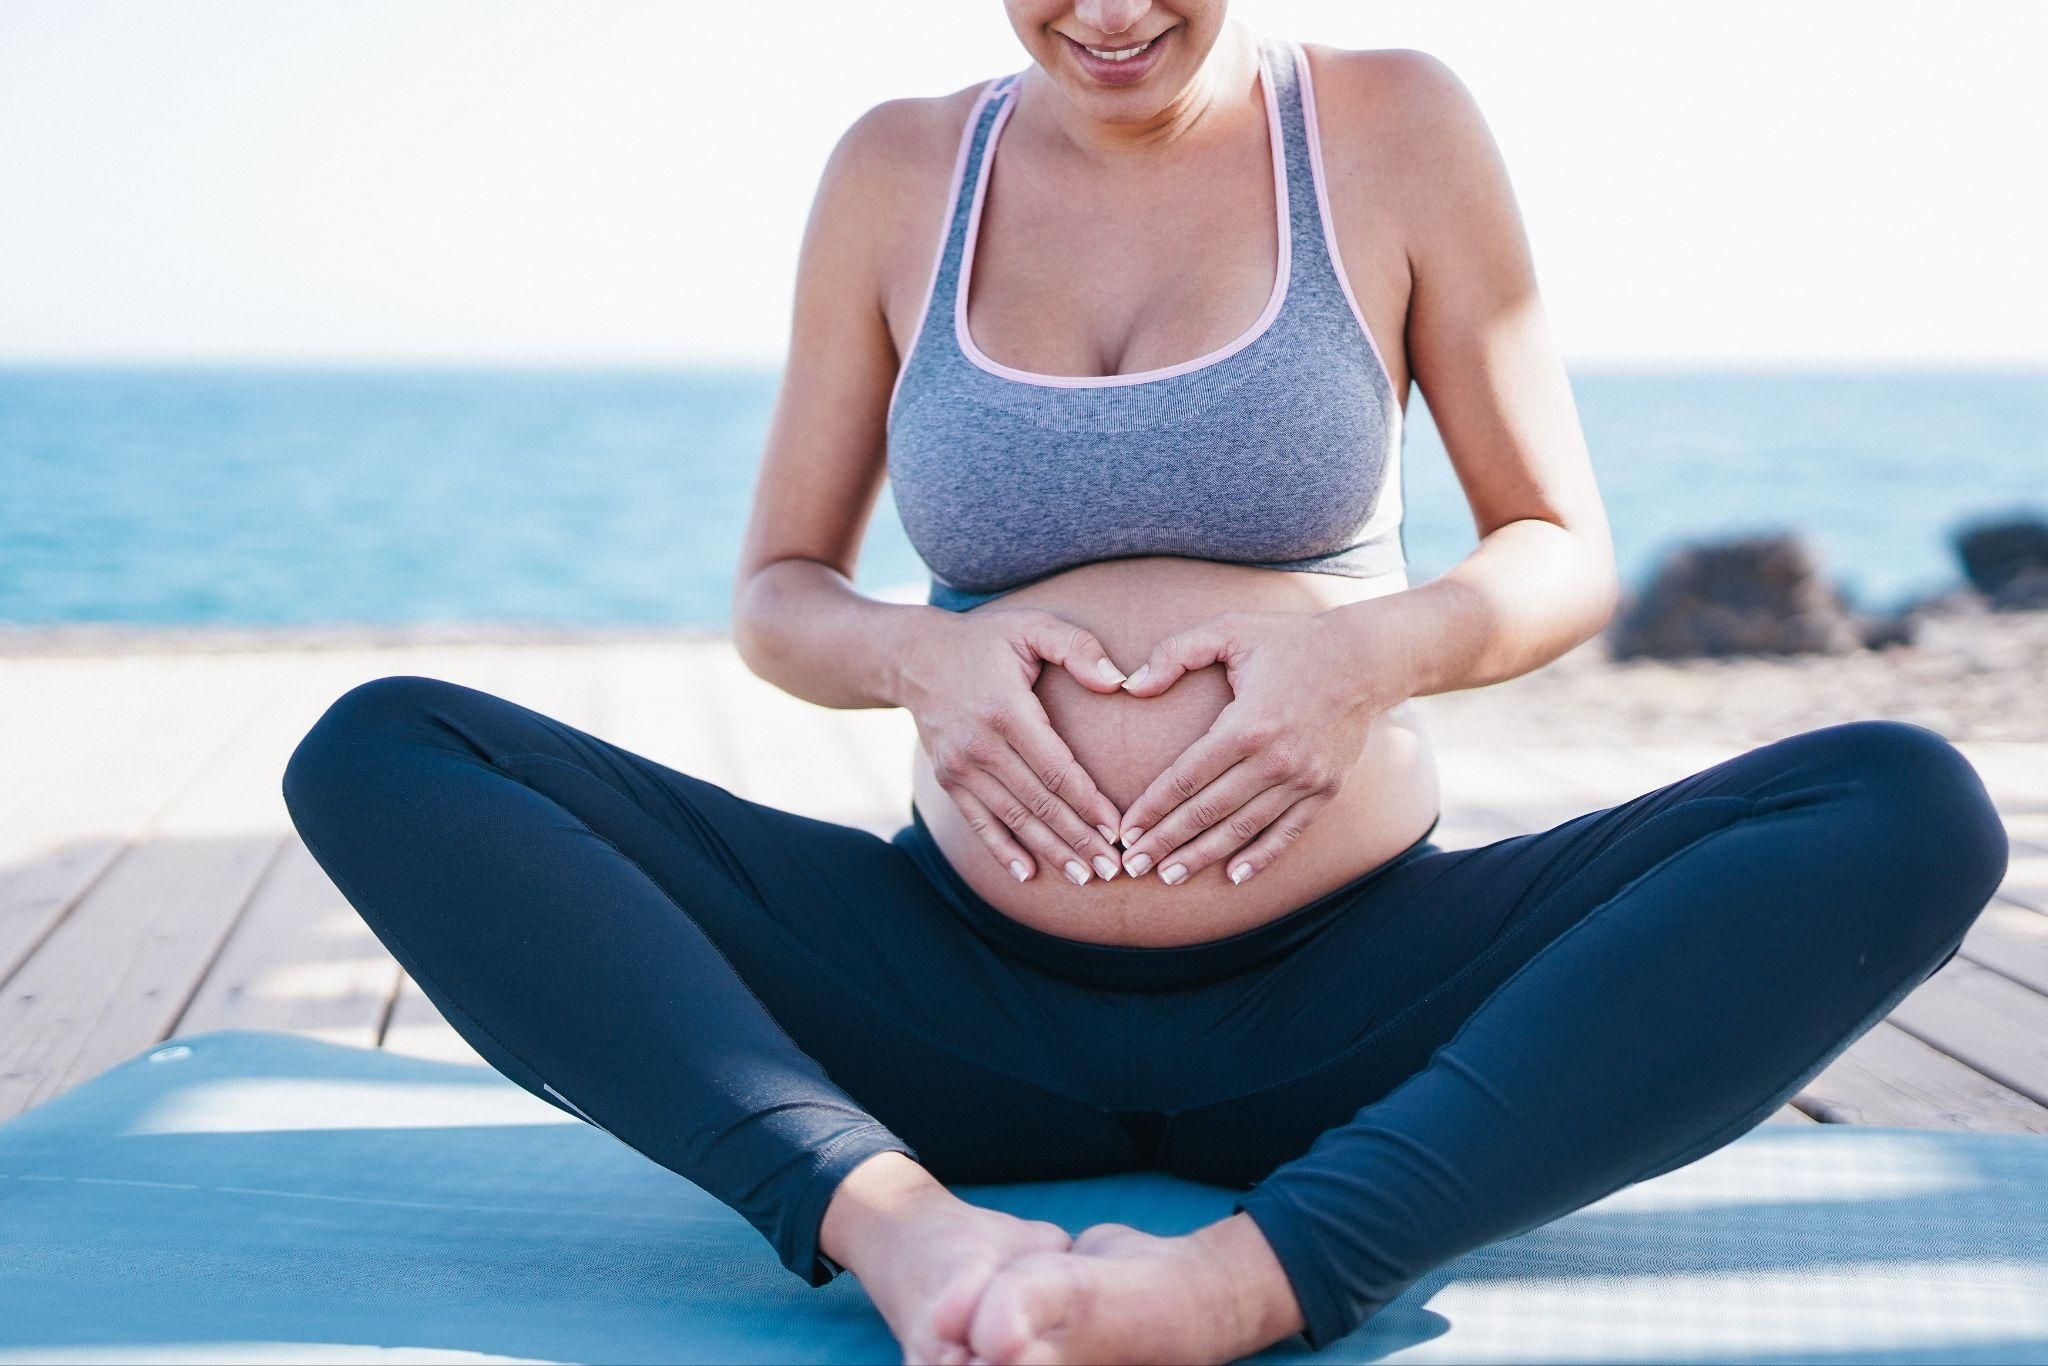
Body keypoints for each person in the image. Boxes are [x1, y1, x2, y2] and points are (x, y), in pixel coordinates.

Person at [279, 3, 2012, 1362]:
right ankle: (893, 1224)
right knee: (386, 751)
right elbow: (778, 597)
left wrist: (1363, 656)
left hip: (1354, 1003)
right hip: (941, 998)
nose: (1104, 12)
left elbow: (1557, 545)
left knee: (1901, 804)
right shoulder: (896, 172)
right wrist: (918, 658)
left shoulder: (1391, 126)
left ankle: (1250, 1283)